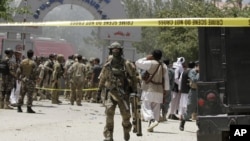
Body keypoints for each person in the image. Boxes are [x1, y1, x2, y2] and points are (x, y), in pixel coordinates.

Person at [96, 41, 138, 141]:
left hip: (123, 94)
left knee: (126, 115)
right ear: (111, 51)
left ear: (120, 51)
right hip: (111, 93)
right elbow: (102, 79)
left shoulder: (126, 64)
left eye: (117, 50)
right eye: (113, 50)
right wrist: (98, 91)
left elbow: (133, 78)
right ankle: (108, 135)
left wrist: (135, 91)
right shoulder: (107, 65)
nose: (115, 52)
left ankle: (126, 129)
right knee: (109, 113)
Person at [135, 49, 170, 132]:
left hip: (149, 89)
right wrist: (166, 90)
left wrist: (146, 58)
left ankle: (153, 120)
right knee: (155, 109)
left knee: (146, 106)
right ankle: (151, 126)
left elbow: (137, 62)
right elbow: (166, 79)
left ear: (152, 56)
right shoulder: (164, 66)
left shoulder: (150, 63)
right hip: (160, 90)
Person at [179, 61, 199, 131]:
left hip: (202, 92)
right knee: (190, 108)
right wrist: (199, 72)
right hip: (194, 91)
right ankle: (183, 121)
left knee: (201, 110)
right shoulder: (192, 72)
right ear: (196, 66)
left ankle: (200, 125)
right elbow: (195, 79)